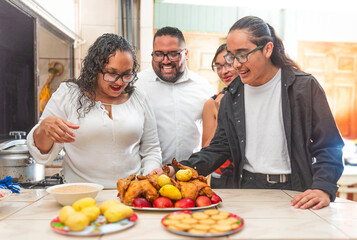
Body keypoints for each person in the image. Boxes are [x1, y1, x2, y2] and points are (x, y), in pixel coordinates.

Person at [153, 16, 344, 210]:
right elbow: (219, 148)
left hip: (296, 191)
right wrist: (177, 169)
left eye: (242, 54)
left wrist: (323, 187)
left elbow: (329, 145)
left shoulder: (303, 88)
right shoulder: (233, 95)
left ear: (267, 49)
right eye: (231, 55)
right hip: (247, 188)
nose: (235, 64)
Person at [27, 33, 162, 188]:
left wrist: (150, 176)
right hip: (79, 194)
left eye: (126, 74)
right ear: (95, 68)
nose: (119, 82)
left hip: (130, 194)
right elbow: (42, 154)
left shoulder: (139, 98)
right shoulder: (69, 94)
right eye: (111, 73)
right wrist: (44, 128)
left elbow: (151, 150)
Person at [136, 26, 214, 165]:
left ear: (186, 53)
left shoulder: (203, 87)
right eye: (159, 54)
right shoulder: (137, 85)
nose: (165, 61)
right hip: (148, 176)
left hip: (190, 176)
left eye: (173, 54)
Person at [202, 43, 239, 188]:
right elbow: (207, 150)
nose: (224, 71)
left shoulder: (255, 100)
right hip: (222, 176)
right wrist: (221, 116)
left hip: (251, 176)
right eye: (218, 67)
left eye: (229, 64)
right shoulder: (212, 103)